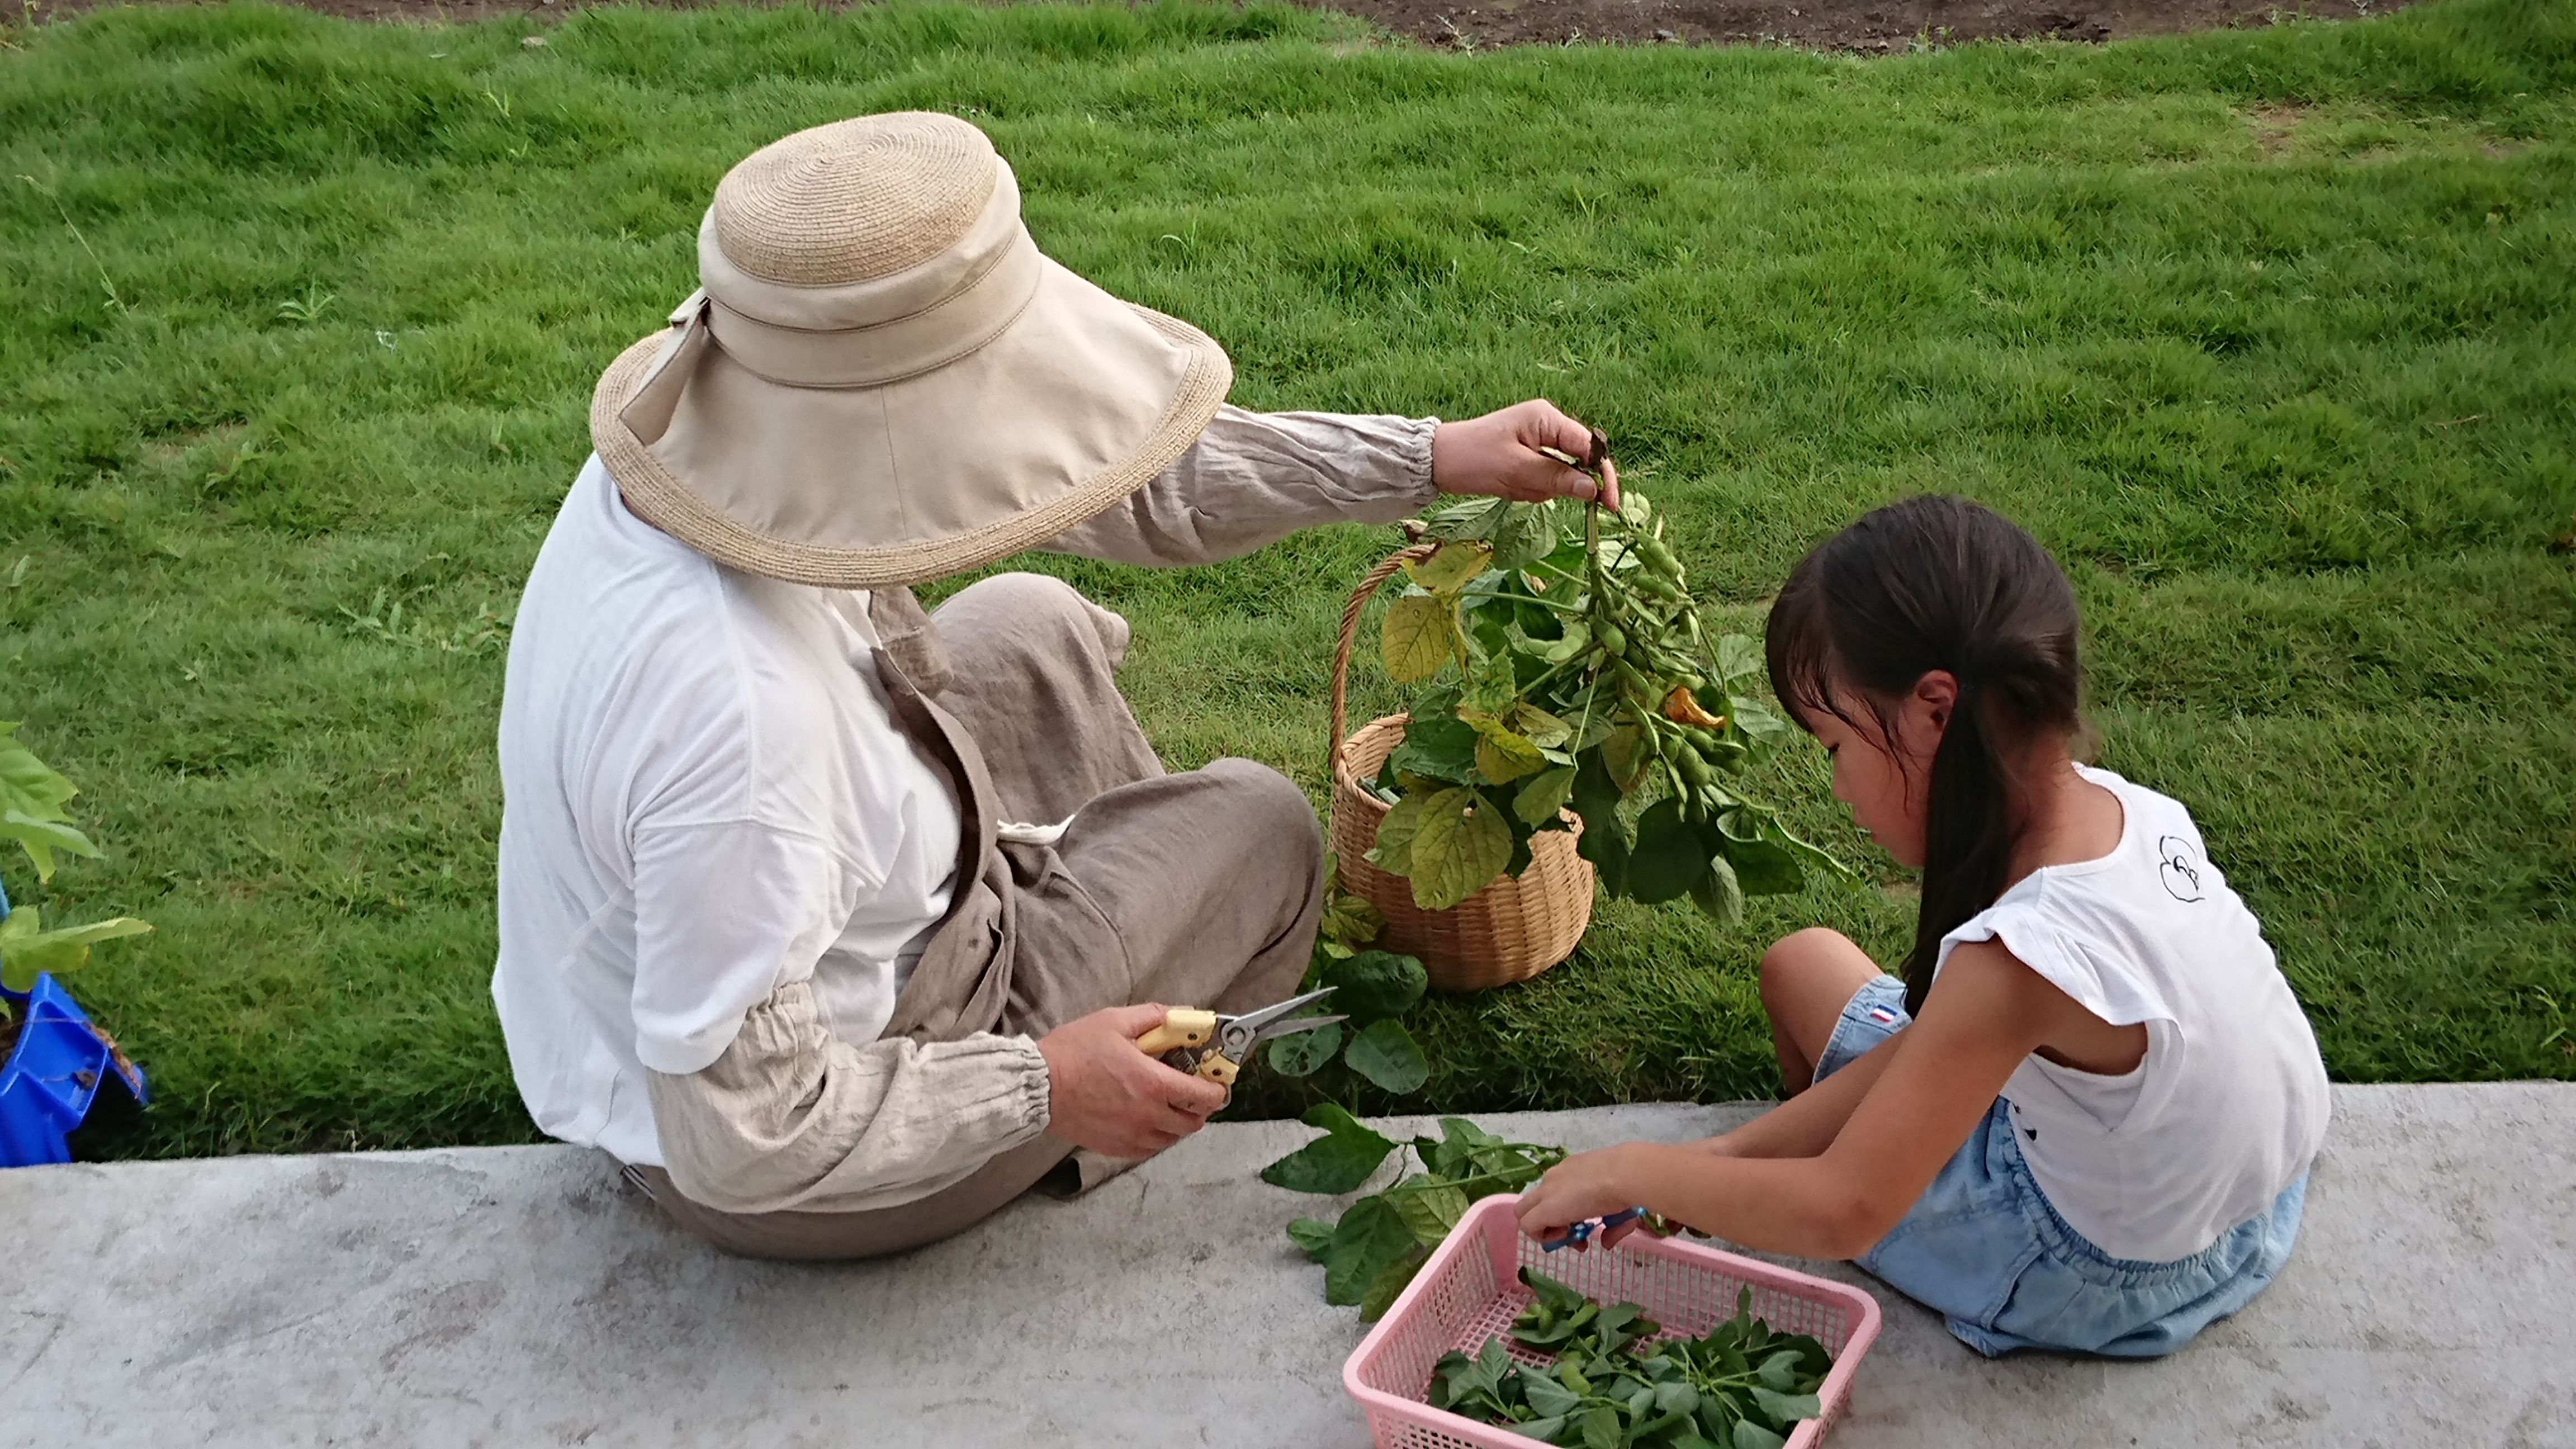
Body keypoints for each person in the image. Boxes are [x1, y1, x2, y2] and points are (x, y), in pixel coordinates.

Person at [490, 110, 1618, 1262]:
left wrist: (1426, 458)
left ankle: (1072, 942)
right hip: (797, 1152)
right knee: (1269, 836)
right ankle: (1108, 1087)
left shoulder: (704, 429)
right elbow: (748, 1134)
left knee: (1029, 620)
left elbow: (1112, 479)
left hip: (771, 960)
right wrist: (1041, 1086)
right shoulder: (743, 731)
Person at [1514, 495, 2329, 1357]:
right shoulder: (2130, 811)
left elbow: (1844, 1206)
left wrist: (1636, 1172)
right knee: (1803, 964)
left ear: (1934, 711)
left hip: (2095, 1275)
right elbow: (1950, 1038)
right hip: (2250, 1204)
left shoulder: (2018, 961)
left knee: (1819, 1169)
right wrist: (1723, 1160)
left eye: (1834, 746)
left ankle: (1796, 1184)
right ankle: (1763, 1168)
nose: (1837, 788)